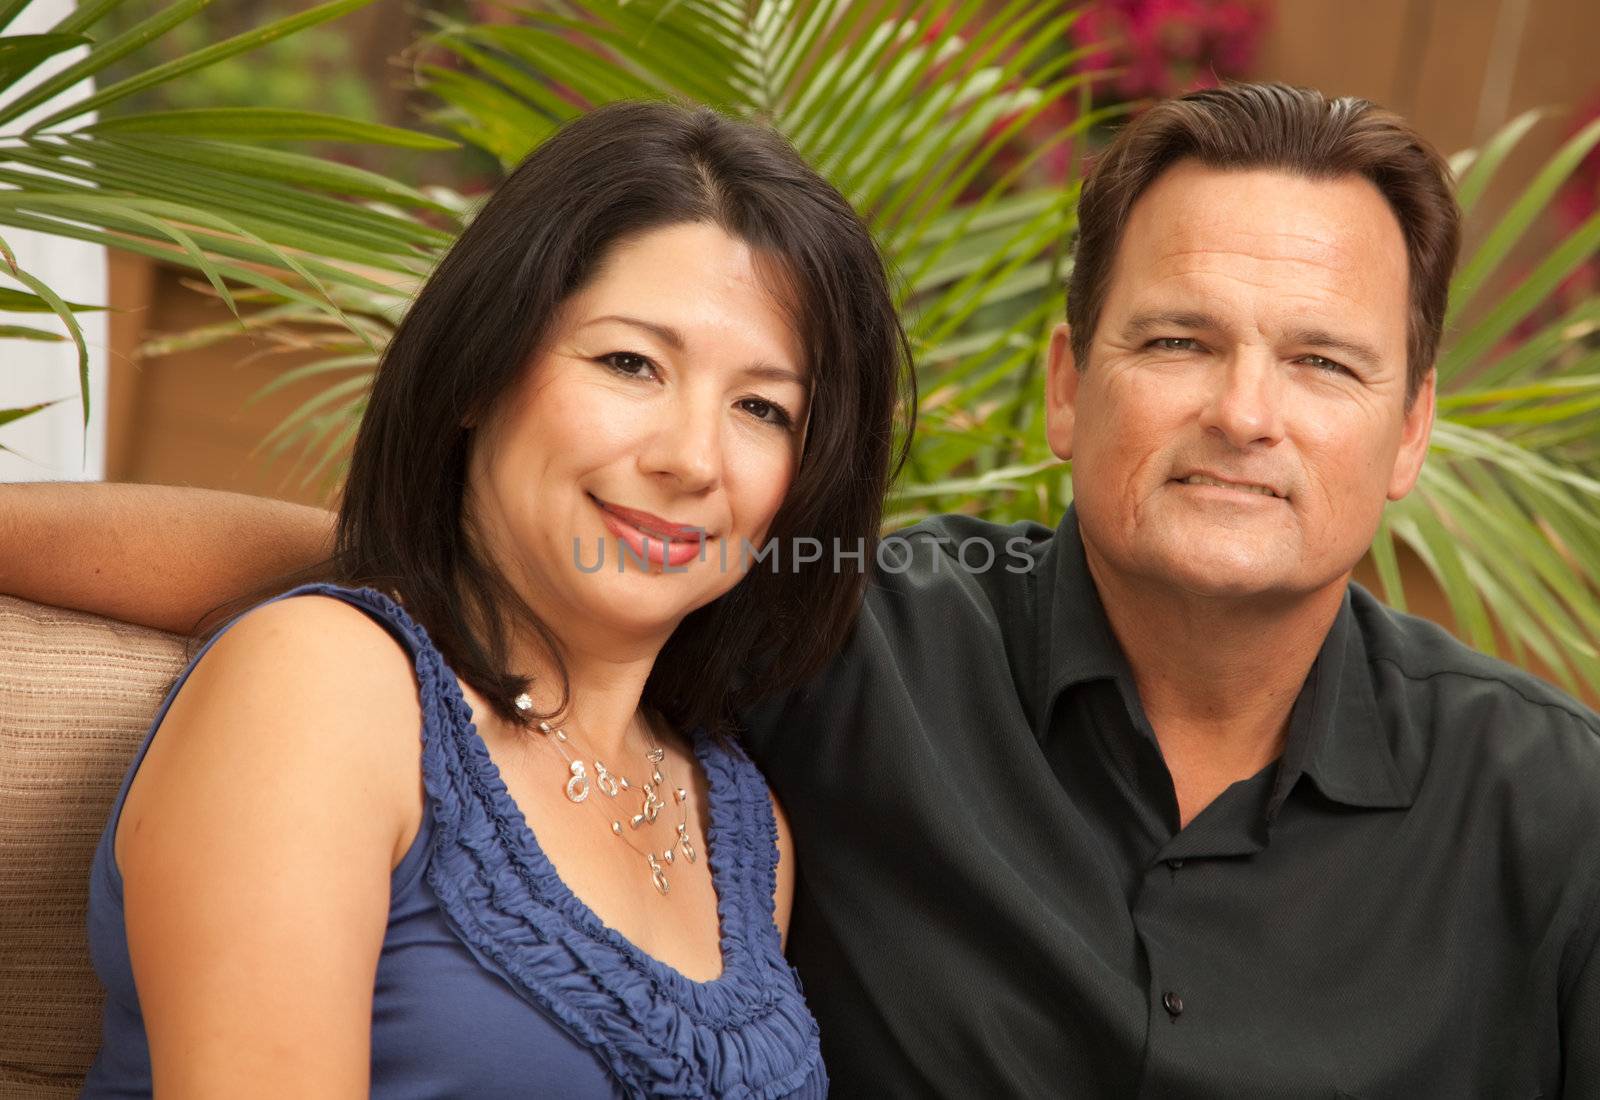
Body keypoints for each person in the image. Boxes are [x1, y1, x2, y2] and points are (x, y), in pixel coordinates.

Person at [4, 82, 1597, 1097]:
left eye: (1323, 363)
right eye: (1178, 341)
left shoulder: (1556, 811)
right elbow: (461, 576)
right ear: (1065, 386)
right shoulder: (853, 641)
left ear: (1410, 431)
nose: (1244, 412)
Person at [38, 99, 913, 1098]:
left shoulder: (741, 825)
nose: (690, 459)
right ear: (477, 371)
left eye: (763, 407)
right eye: (630, 362)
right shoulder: (324, 687)